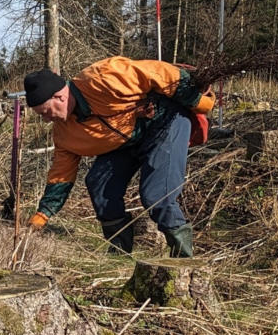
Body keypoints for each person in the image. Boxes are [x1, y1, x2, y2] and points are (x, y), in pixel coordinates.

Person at [24, 57, 215, 257]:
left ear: (60, 97)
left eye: (45, 112)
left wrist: (199, 101)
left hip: (165, 123)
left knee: (157, 195)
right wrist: (43, 214)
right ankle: (119, 253)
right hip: (127, 142)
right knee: (99, 183)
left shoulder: (103, 78)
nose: (46, 119)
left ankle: (183, 261)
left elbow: (162, 73)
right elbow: (60, 175)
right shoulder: (64, 132)